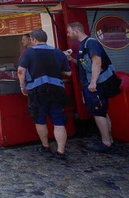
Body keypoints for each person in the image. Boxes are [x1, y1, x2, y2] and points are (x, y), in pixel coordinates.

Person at [18, 29, 72, 160]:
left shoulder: (29, 52)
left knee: (40, 119)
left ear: (34, 39)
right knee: (58, 121)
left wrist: (22, 86)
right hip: (57, 89)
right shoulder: (58, 52)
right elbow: (68, 73)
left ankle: (45, 146)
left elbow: (21, 71)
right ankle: (61, 151)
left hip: (37, 90)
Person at [67, 22, 115, 153]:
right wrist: (72, 60)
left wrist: (93, 82)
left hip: (95, 85)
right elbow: (85, 64)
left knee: (98, 112)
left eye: (69, 31)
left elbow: (97, 62)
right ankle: (109, 139)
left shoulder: (90, 43)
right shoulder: (83, 45)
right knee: (102, 112)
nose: (68, 34)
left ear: (76, 31)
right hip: (92, 84)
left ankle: (106, 143)